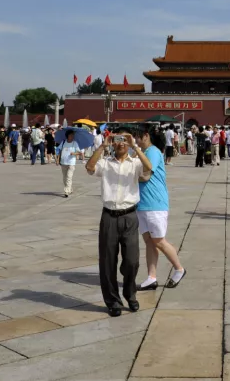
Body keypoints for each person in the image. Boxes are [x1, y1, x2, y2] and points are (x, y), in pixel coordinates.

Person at [85, 129, 152, 317]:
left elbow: (149, 167)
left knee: (132, 261)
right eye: (117, 140)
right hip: (109, 216)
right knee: (107, 261)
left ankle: (130, 294)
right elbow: (90, 168)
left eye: (124, 140)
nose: (121, 143)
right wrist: (102, 146)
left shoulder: (135, 163)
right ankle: (112, 301)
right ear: (112, 143)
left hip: (129, 216)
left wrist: (135, 146)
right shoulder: (105, 163)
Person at [135, 128, 186, 291]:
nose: (135, 141)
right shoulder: (144, 152)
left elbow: (146, 175)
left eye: (137, 137)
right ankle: (151, 277)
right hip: (142, 203)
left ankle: (179, 269)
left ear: (146, 135)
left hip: (155, 203)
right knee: (149, 241)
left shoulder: (152, 152)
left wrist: (125, 175)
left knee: (158, 241)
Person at [58, 130, 83, 198]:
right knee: (64, 178)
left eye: (73, 135)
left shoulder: (75, 143)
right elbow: (59, 151)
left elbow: (80, 152)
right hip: (63, 162)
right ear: (67, 136)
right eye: (71, 135)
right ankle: (70, 189)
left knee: (69, 177)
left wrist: (74, 153)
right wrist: (57, 160)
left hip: (71, 163)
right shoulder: (63, 142)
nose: (72, 136)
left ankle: (66, 191)